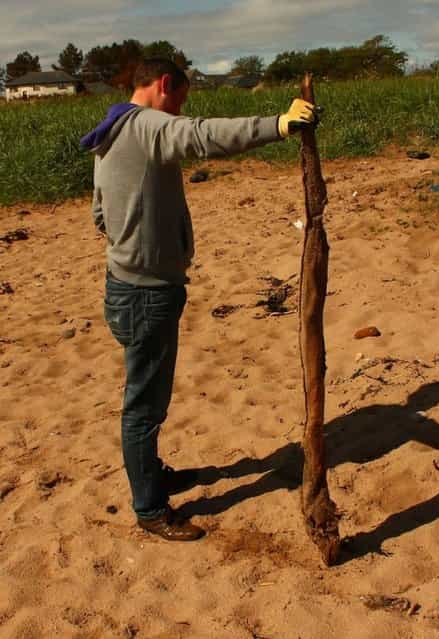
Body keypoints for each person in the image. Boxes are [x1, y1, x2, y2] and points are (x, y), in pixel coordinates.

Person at [80, 58, 316, 541]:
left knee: (144, 399)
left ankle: (152, 477)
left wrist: (133, 240)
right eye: (180, 101)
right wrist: (278, 124)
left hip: (123, 287)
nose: (180, 113)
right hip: (147, 294)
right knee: (144, 408)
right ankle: (149, 508)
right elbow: (206, 136)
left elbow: (99, 214)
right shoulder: (147, 126)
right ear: (164, 85)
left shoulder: (110, 130)